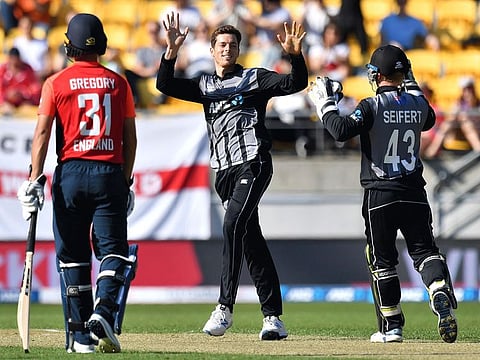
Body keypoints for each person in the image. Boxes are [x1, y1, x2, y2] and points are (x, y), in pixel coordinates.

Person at [156, 12, 307, 340]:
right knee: (250, 241)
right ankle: (273, 318)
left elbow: (294, 84)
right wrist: (170, 52)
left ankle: (224, 307)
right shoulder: (204, 85)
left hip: (252, 164)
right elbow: (164, 85)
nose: (227, 49)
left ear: (239, 50)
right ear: (212, 50)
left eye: (233, 44)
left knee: (232, 225)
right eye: (222, 44)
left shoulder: (255, 79)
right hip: (223, 172)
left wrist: (295, 56)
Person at [308, 44, 458, 343]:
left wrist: (325, 104)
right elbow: (427, 118)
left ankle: (392, 327)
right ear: (404, 73)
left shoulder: (371, 105)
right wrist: (410, 81)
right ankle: (438, 287)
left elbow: (339, 131)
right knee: (426, 253)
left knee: (382, 261)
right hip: (414, 191)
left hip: (380, 193)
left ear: (376, 75)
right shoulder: (418, 105)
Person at [16, 13, 137, 353]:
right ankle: (104, 311)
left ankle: (80, 336)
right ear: (101, 45)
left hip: (69, 174)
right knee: (113, 251)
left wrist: (34, 178)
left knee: (73, 257)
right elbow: (130, 139)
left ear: (69, 45)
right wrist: (125, 181)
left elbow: (41, 133)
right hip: (109, 173)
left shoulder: (55, 82)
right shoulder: (119, 83)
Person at [423, 76, 480, 158]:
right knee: (449, 123)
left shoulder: (478, 104)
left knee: (467, 124)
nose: (467, 92)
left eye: (469, 89)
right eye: (465, 89)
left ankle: (478, 149)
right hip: (457, 131)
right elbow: (452, 116)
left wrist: (469, 110)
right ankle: (433, 150)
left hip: (474, 130)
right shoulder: (459, 103)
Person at [0, 46, 42, 115]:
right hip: (6, 104)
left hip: (24, 103)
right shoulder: (3, 70)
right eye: (12, 59)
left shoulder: (28, 69)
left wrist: (22, 94)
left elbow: (35, 88)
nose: (14, 63)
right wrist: (6, 97)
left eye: (16, 59)